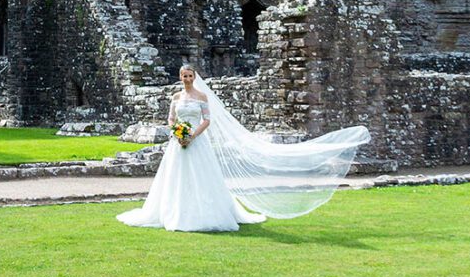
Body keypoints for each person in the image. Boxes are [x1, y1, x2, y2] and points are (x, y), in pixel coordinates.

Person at [117, 64, 370, 233]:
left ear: (194, 78)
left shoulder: (202, 98)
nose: (186, 79)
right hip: (178, 142)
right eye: (184, 76)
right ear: (179, 77)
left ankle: (204, 213)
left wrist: (192, 135)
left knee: (202, 177)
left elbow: (207, 120)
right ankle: (170, 212)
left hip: (196, 140)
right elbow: (171, 119)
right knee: (175, 178)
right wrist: (177, 133)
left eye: (190, 76)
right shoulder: (176, 98)